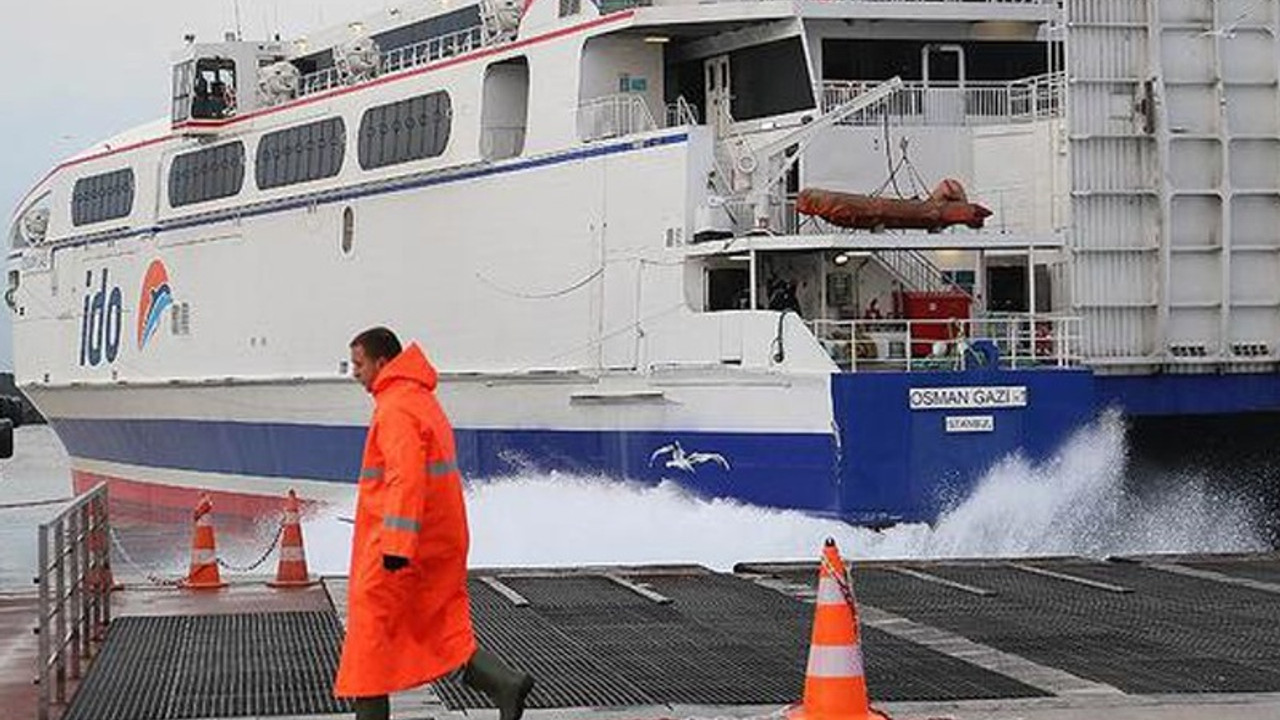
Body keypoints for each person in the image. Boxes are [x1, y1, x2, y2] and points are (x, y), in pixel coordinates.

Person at [335, 327, 535, 720]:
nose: (354, 372)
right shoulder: (421, 399)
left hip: (399, 548)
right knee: (436, 625)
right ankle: (504, 683)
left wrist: (395, 547)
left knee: (369, 640)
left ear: (381, 362)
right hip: (436, 540)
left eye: (359, 364)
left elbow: (405, 479)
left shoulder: (394, 409)